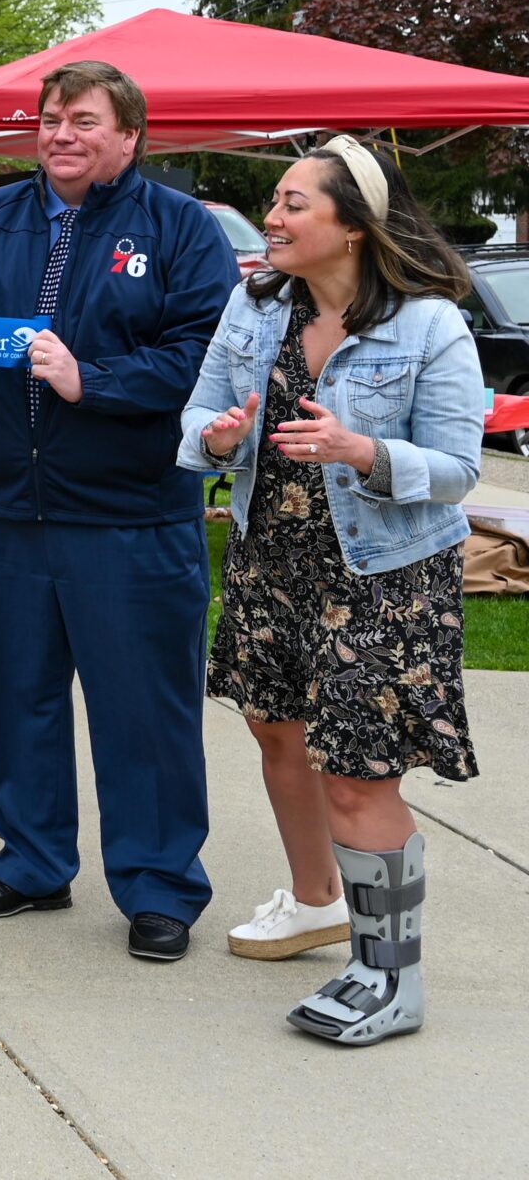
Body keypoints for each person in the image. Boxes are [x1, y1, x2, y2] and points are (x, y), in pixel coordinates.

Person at [0, 62, 233, 961]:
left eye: (84, 120)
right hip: (11, 510)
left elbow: (208, 356)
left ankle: (159, 886)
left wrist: (88, 380)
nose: (60, 133)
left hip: (130, 515)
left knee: (143, 711)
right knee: (16, 695)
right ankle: (31, 862)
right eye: (51, 117)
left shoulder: (180, 228)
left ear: (130, 135)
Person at [181, 136, 482, 1045]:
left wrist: (367, 452)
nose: (272, 217)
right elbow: (197, 418)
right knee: (277, 731)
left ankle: (389, 976)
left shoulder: (429, 325)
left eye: (293, 203)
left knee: (358, 772)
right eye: (276, 200)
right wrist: (224, 439)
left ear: (352, 227)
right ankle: (317, 902)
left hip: (381, 577)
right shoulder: (254, 305)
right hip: (272, 562)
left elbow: (461, 467)